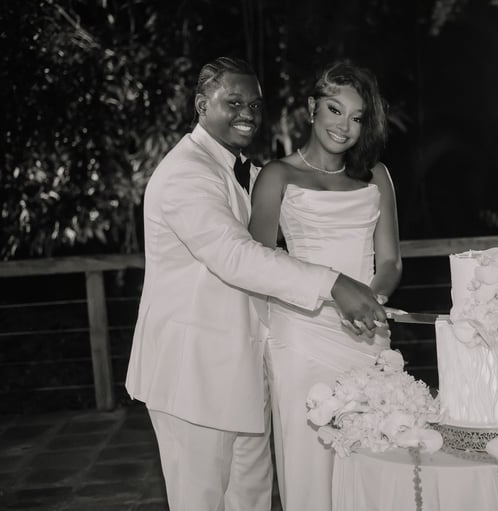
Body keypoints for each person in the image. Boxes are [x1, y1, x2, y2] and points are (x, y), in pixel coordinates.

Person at [125, 56, 387, 511]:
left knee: (252, 501)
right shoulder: (186, 172)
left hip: (246, 374)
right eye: (233, 101)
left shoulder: (240, 168)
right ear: (201, 104)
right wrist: (333, 283)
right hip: (193, 377)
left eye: (255, 103)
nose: (248, 111)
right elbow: (235, 255)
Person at [248, 61, 402, 511]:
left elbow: (390, 259)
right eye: (335, 110)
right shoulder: (278, 175)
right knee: (310, 459)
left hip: (368, 330)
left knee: (375, 453)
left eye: (357, 118)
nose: (344, 126)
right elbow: (258, 260)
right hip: (301, 333)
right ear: (313, 107)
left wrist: (374, 301)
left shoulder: (377, 176)